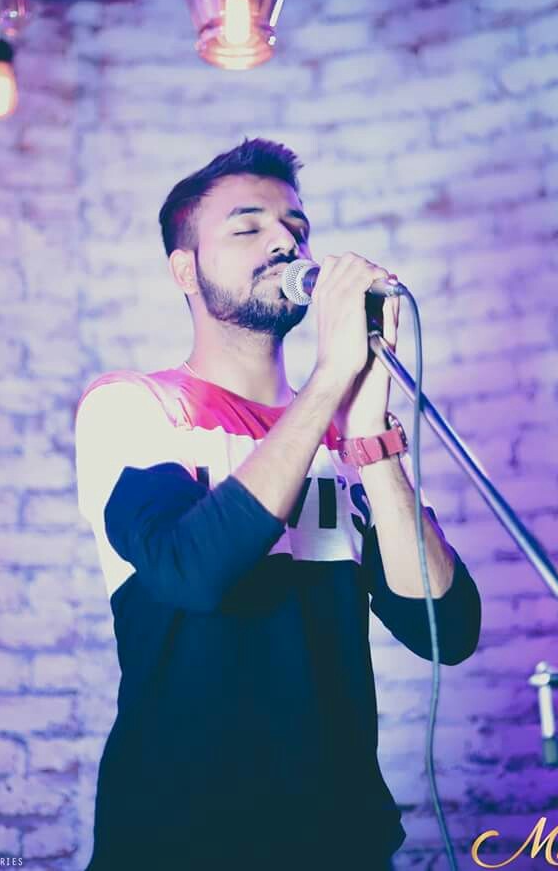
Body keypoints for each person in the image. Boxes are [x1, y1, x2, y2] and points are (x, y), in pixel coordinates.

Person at [74, 137, 482, 871]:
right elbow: (193, 570)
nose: (284, 243)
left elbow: (445, 627)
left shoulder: (349, 436)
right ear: (184, 269)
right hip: (177, 840)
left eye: (296, 228)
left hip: (340, 842)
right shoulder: (135, 407)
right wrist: (329, 380)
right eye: (247, 227)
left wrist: (369, 433)